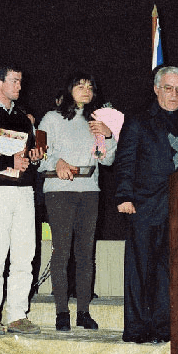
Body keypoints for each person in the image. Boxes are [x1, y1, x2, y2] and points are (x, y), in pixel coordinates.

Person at [114, 66, 178, 344]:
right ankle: (137, 329)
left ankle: (164, 327)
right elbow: (126, 161)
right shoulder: (138, 120)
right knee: (140, 269)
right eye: (168, 88)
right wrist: (124, 196)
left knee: (170, 270)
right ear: (156, 89)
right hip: (144, 206)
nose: (174, 95)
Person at [37, 72, 117, 331]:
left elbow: (106, 159)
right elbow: (38, 154)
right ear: (68, 89)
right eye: (80, 86)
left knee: (86, 253)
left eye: (90, 87)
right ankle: (62, 311)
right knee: (61, 251)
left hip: (89, 190)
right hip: (59, 191)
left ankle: (83, 311)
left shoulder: (96, 121)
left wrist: (108, 136)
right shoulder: (51, 118)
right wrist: (56, 162)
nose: (86, 90)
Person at [0, 64, 44, 335]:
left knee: (25, 254)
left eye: (20, 81)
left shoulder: (23, 119)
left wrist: (33, 158)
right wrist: (8, 161)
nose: (19, 86)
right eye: (14, 81)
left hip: (24, 190)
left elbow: (27, 156)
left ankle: (17, 315)